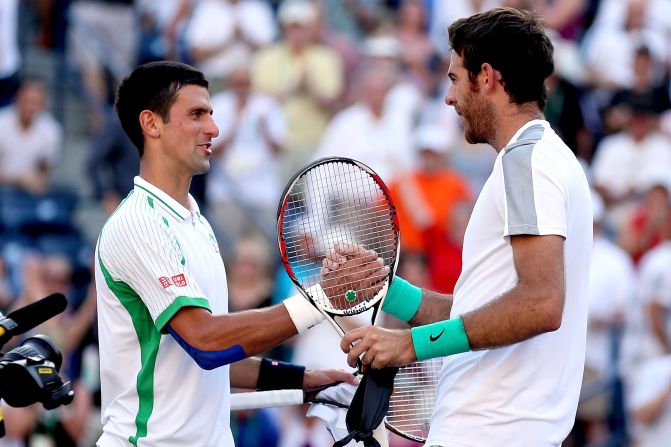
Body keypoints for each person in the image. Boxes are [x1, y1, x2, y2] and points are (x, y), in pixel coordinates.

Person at [326, 8, 592, 446]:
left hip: (489, 429)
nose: (448, 98)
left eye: (454, 78)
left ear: (486, 77)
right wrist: (389, 291)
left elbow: (541, 304)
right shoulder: (545, 157)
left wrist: (411, 344)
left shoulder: (527, 162)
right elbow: (487, 313)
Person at [94, 61, 360, 446]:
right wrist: (319, 301)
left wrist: (303, 379)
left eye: (211, 114)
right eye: (197, 114)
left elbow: (214, 356)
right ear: (151, 124)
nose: (213, 129)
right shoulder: (138, 224)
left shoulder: (195, 221)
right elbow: (206, 342)